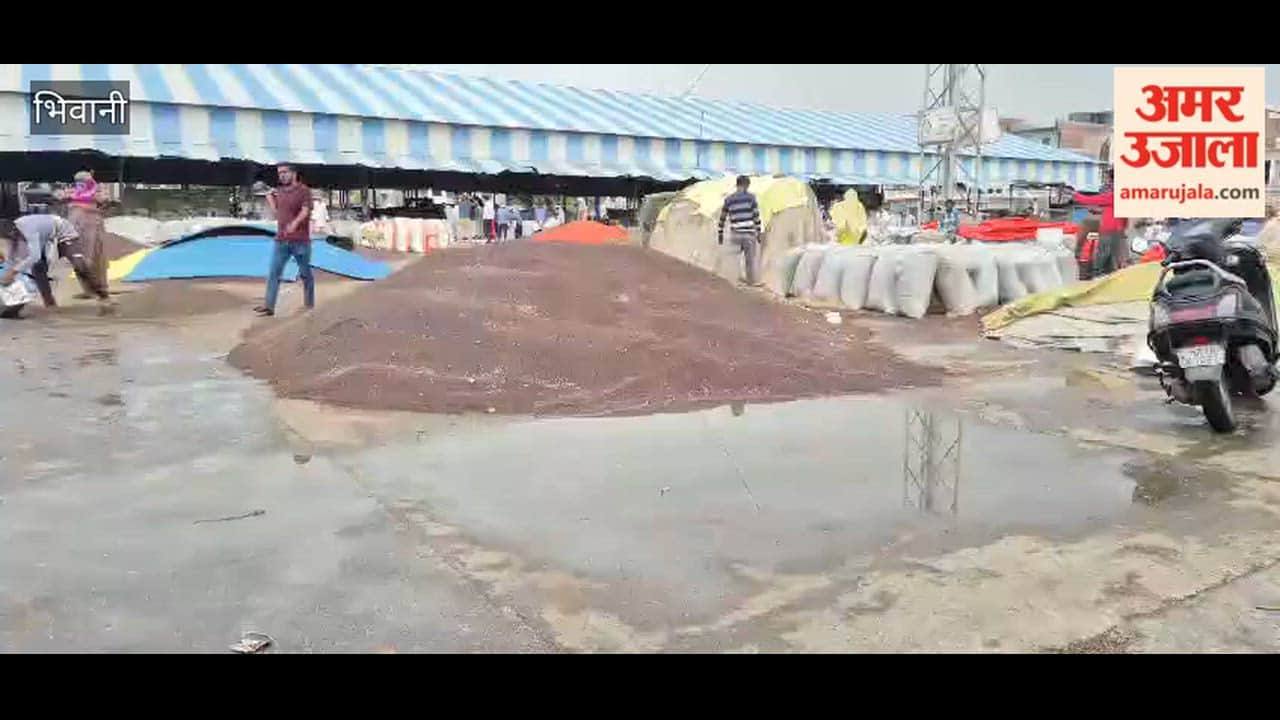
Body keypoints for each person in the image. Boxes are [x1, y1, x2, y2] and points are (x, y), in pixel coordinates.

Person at [0, 214, 111, 316]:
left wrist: (14, 271)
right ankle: (50, 304)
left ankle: (102, 295)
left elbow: (35, 256)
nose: (10, 238)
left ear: (15, 229)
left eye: (12, 235)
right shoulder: (9, 234)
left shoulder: (28, 229)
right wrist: (8, 274)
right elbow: (12, 256)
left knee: (80, 266)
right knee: (37, 268)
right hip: (44, 240)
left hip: (64, 234)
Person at [255, 163, 313, 318]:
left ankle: (309, 303)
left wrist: (294, 224)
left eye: (285, 172)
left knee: (305, 273)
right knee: (274, 273)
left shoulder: (304, 190)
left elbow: (306, 210)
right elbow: (277, 212)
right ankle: (269, 306)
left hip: (300, 241)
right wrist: (268, 196)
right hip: (281, 240)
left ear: (294, 173)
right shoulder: (279, 191)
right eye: (279, 173)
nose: (281, 175)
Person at [65, 170, 109, 300]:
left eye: (83, 181)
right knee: (78, 257)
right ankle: (87, 289)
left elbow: (104, 200)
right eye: (78, 181)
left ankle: (101, 288)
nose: (80, 184)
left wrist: (89, 198)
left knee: (95, 257)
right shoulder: (73, 192)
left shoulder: (98, 191)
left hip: (92, 227)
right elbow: (59, 196)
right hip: (75, 227)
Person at [1073, 168, 1126, 277]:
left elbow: (1090, 200)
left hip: (1109, 229)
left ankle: (1096, 275)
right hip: (1117, 229)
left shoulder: (1114, 194)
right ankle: (1107, 274)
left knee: (1103, 254)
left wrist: (1074, 195)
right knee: (1112, 255)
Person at [717, 175, 764, 287]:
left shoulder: (729, 199)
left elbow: (722, 218)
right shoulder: (751, 198)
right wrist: (758, 232)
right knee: (749, 260)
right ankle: (750, 282)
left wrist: (720, 233)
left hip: (735, 234)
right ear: (746, 185)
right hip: (749, 234)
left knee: (734, 259)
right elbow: (756, 216)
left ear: (737, 185)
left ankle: (733, 283)